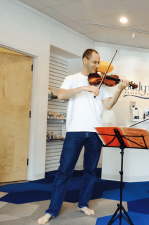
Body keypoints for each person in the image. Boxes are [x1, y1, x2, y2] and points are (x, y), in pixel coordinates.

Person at [38, 49, 129, 224]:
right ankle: (52, 210)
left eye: (98, 62)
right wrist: (84, 88)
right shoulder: (72, 79)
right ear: (84, 60)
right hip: (75, 132)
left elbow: (109, 105)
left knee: (90, 171)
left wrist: (119, 89)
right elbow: (61, 94)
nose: (97, 66)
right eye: (94, 62)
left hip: (95, 133)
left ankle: (83, 204)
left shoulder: (102, 84)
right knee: (64, 172)